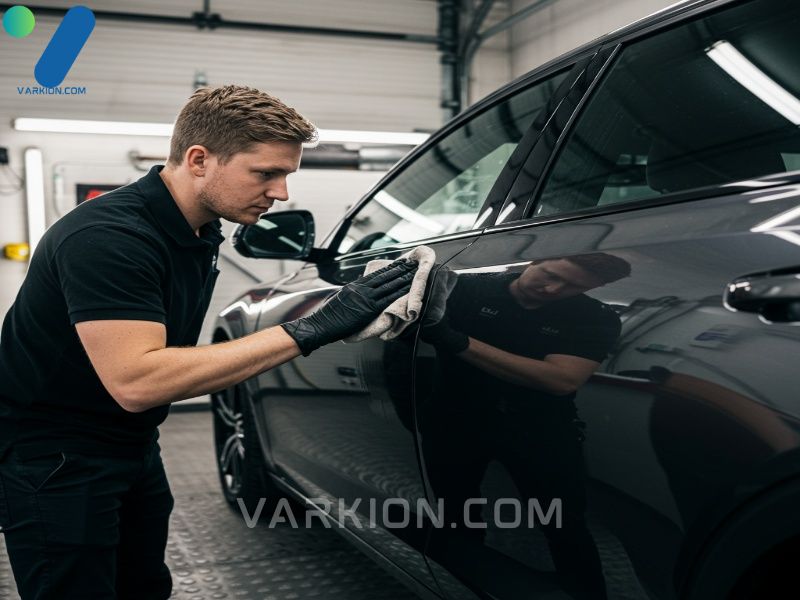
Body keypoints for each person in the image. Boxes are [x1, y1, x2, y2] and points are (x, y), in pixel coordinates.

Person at [0, 85, 417, 600]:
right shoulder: (109, 238)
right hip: (57, 454)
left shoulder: (198, 229)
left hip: (128, 443)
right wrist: (309, 328)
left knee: (144, 587)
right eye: (265, 173)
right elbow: (137, 380)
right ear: (199, 160)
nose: (281, 193)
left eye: (286, 175)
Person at [420, 253, 630, 600]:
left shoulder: (595, 316)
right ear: (535, 260)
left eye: (573, 286)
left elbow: (562, 379)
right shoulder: (466, 288)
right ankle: (465, 581)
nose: (552, 288)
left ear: (595, 288)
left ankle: (586, 591)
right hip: (455, 417)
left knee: (564, 520)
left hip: (540, 428)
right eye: (549, 274)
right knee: (456, 507)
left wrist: (456, 340)